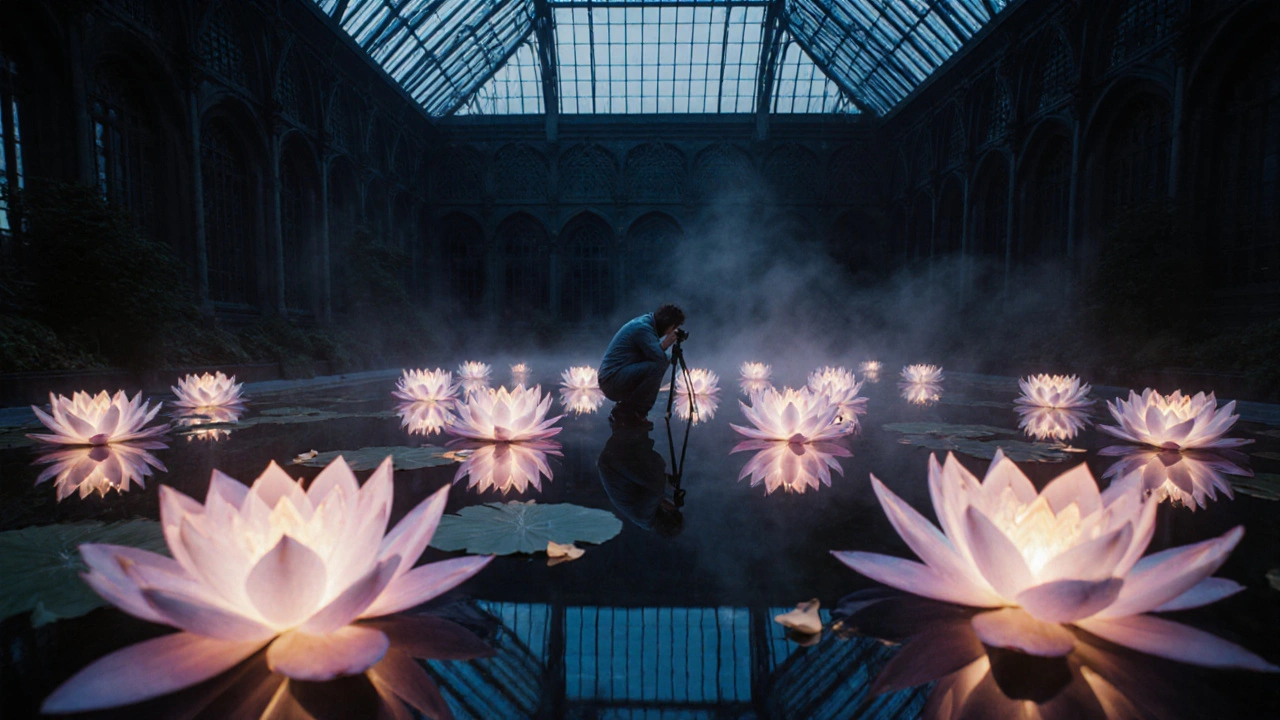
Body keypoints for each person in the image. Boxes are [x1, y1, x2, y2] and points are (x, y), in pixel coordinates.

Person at [598, 303, 686, 429]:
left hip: (615, 377)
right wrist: (666, 343)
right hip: (611, 381)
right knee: (655, 368)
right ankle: (636, 414)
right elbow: (660, 360)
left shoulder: (647, 324)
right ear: (668, 324)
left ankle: (625, 409)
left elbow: (654, 355)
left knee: (656, 366)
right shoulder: (643, 329)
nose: (672, 332)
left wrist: (663, 350)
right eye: (674, 327)